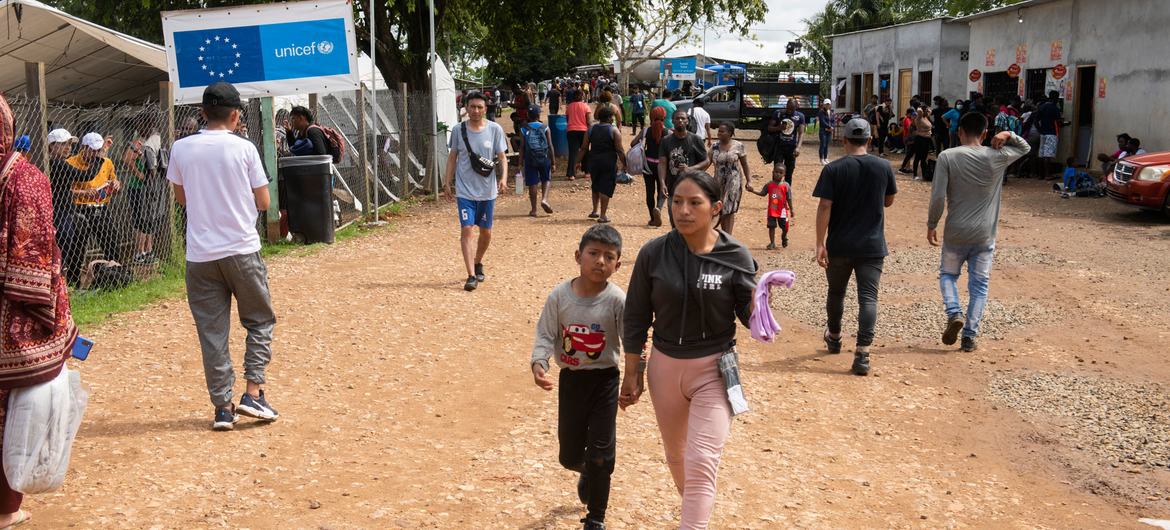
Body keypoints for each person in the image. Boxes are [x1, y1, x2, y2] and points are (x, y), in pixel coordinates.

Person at [622, 170, 758, 529]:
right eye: (676, 201)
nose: (682, 210)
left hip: (714, 369)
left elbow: (749, 316)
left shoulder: (736, 255)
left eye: (694, 203)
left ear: (716, 208)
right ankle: (697, 512)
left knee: (701, 459)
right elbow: (636, 315)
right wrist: (631, 372)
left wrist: (761, 307)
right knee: (677, 455)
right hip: (665, 369)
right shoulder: (654, 253)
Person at [166, 82, 280, 431]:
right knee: (259, 321)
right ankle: (254, 393)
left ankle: (222, 408)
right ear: (235, 115)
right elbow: (264, 202)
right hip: (242, 248)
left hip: (200, 255)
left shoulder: (180, 148)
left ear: (202, 113)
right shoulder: (244, 149)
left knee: (212, 331)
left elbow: (182, 199)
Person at [0, 94, 79, 530]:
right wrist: (49, 313)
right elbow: (34, 261)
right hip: (14, 320)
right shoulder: (26, 180)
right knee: (14, 413)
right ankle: (7, 508)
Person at [530, 224, 625, 530]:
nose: (600, 261)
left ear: (617, 264)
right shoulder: (559, 297)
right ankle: (587, 470)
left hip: (605, 381)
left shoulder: (617, 300)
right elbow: (545, 335)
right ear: (578, 256)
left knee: (601, 453)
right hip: (572, 381)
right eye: (593, 253)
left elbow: (633, 340)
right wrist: (539, 363)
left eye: (608, 256)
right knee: (569, 455)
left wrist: (636, 375)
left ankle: (595, 517)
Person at [927, 112, 1030, 353]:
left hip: (955, 232)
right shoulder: (998, 156)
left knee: (948, 275)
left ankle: (954, 312)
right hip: (985, 234)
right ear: (985, 133)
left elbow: (938, 196)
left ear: (959, 131)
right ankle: (969, 337)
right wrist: (1008, 134)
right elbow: (1025, 147)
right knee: (979, 286)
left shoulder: (947, 156)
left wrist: (932, 223)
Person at [813, 118, 897, 376]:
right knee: (868, 298)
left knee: (836, 293)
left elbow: (825, 206)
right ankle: (862, 353)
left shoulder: (833, 169)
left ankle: (835, 337)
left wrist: (819, 243)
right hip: (872, 246)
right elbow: (888, 201)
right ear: (870, 140)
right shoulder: (884, 166)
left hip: (839, 244)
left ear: (844, 140)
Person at [443, 91, 508, 292]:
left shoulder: (495, 129)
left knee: (486, 232)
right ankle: (471, 274)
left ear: (485, 109)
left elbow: (502, 157)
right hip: (465, 192)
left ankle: (478, 261)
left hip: (487, 192)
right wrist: (447, 182)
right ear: (466, 108)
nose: (476, 111)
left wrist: (503, 178)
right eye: (472, 107)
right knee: (467, 229)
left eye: (480, 107)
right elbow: (452, 157)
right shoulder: (458, 130)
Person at [46, 128, 98, 285]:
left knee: (79, 231)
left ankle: (72, 279)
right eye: (63, 144)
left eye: (69, 144)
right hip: (60, 211)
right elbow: (85, 176)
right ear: (51, 146)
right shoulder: (55, 163)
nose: (68, 147)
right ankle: (61, 280)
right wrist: (100, 159)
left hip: (67, 210)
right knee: (64, 245)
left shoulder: (60, 163)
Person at [68, 131, 122, 264]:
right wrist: (84, 193)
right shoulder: (70, 162)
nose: (95, 154)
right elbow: (64, 190)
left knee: (112, 241)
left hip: (100, 207)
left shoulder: (106, 162)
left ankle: (113, 270)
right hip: (80, 208)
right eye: (92, 150)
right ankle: (75, 278)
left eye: (98, 150)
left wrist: (116, 184)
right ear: (84, 147)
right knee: (77, 247)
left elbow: (114, 180)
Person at [122, 119, 166, 265]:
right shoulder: (139, 142)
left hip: (151, 187)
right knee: (141, 221)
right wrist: (139, 175)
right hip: (138, 187)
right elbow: (127, 159)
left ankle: (148, 250)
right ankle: (139, 252)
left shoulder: (155, 142)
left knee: (150, 219)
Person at [658, 110, 709, 225]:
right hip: (673, 187)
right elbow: (662, 163)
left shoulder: (695, 139)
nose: (680, 121)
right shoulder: (666, 141)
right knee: (674, 221)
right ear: (672, 121)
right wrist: (662, 183)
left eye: (683, 118)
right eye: (677, 118)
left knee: (689, 221)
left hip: (692, 188)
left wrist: (691, 169)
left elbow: (706, 161)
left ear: (687, 121)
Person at [576, 106, 626, 224]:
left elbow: (583, 148)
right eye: (612, 117)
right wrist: (625, 163)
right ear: (609, 118)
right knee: (606, 187)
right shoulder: (614, 131)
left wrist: (577, 162)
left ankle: (594, 211)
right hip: (608, 162)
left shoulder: (591, 130)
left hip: (593, 162)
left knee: (596, 185)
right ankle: (603, 215)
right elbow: (620, 150)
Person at [708, 122, 750, 234]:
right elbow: (707, 162)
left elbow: (745, 164)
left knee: (729, 208)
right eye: (719, 131)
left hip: (734, 181)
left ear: (730, 133)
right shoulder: (714, 146)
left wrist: (749, 180)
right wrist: (693, 172)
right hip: (718, 181)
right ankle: (724, 234)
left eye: (722, 131)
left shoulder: (738, 146)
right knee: (720, 208)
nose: (719, 133)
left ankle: (728, 236)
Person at [632, 106, 668, 227]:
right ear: (664, 117)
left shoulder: (646, 131)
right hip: (662, 166)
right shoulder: (667, 132)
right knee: (662, 188)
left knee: (649, 191)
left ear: (651, 117)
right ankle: (658, 208)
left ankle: (652, 219)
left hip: (648, 165)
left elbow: (633, 143)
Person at [520, 104, 556, 217]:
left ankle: (534, 210)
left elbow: (522, 147)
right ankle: (544, 199)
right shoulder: (545, 127)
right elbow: (550, 145)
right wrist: (554, 162)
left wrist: (520, 162)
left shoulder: (523, 128)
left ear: (527, 115)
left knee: (532, 183)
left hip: (530, 159)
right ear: (539, 115)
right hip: (544, 158)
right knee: (546, 179)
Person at [745, 170, 793, 250]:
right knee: (771, 226)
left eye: (780, 173)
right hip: (772, 210)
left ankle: (784, 237)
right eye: (776, 172)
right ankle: (772, 243)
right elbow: (762, 193)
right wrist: (752, 191)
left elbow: (789, 198)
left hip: (782, 211)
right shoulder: (769, 184)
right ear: (773, 172)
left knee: (784, 227)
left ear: (784, 174)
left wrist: (792, 209)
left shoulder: (786, 185)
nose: (778, 174)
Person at [766, 98, 805, 185]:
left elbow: (801, 133)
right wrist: (778, 128)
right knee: (777, 172)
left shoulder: (800, 116)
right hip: (779, 146)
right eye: (788, 108)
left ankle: (787, 194)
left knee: (789, 173)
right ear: (786, 106)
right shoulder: (778, 113)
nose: (789, 111)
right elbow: (769, 128)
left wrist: (798, 147)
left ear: (796, 108)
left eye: (792, 109)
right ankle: (774, 193)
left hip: (791, 148)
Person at [1032, 90, 1063, 179]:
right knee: (1048, 155)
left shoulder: (1042, 107)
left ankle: (1040, 174)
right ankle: (1047, 174)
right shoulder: (1054, 108)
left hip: (1043, 133)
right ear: (1055, 98)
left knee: (1041, 154)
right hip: (1052, 133)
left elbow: (1036, 120)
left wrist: (1040, 130)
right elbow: (1059, 121)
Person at [566, 90, 592, 181]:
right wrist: (590, 131)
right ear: (582, 97)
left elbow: (567, 119)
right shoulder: (586, 106)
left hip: (571, 131)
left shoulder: (569, 107)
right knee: (585, 151)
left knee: (573, 153)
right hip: (584, 131)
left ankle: (571, 174)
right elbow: (588, 121)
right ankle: (587, 172)